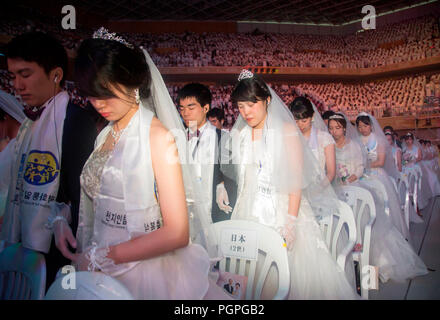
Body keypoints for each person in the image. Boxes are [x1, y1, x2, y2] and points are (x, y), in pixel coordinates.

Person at [72, 28, 230, 300]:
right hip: (101, 262)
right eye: (90, 94)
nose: (98, 103)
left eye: (106, 92)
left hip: (141, 268)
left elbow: (177, 232)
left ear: (132, 82)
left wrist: (105, 256)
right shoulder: (106, 134)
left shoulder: (157, 137)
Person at [225, 70, 358, 299]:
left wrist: (291, 221)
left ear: (267, 101)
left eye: (251, 105)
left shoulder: (286, 131)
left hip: (283, 210)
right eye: (240, 107)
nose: (245, 112)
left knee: (291, 278)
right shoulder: (240, 135)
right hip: (248, 211)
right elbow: (245, 180)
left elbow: (295, 181)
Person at [0, 32, 97, 290]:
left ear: (55, 74)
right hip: (21, 244)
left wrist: (60, 221)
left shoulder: (76, 121)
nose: (17, 85)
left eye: (26, 74)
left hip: (57, 252)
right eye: (13, 76)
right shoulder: (27, 124)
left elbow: (82, 199)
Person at [329, 113, 428, 284]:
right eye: (331, 128)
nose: (362, 129)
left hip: (361, 180)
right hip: (340, 185)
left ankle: (371, 271)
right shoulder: (330, 145)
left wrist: (354, 175)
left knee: (367, 221)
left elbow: (363, 165)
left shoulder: (359, 144)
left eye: (365, 125)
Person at [177, 83, 237, 223]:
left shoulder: (224, 138)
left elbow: (232, 178)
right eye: (182, 108)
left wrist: (221, 185)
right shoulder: (177, 139)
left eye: (191, 107)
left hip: (213, 214)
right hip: (184, 214)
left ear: (206, 108)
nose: (185, 113)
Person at [356, 112, 410, 240]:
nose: (363, 129)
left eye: (365, 125)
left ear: (371, 125)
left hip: (376, 174)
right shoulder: (356, 141)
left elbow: (380, 161)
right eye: (359, 126)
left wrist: (364, 166)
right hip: (360, 174)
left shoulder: (379, 140)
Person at [290, 97, 336, 184]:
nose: (300, 125)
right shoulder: (291, 138)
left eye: (304, 121)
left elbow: (331, 173)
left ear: (312, 116)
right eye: (296, 121)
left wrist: (318, 190)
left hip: (320, 188)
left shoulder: (325, 138)